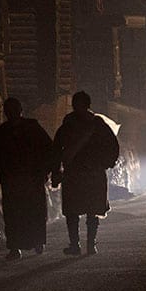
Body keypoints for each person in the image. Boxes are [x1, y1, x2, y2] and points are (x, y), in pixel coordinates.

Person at [51, 91, 120, 256]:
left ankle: (75, 245)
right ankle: (91, 244)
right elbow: (113, 147)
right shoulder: (98, 125)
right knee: (92, 210)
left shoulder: (67, 125)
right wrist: (106, 164)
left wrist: (56, 170)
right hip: (94, 173)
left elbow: (56, 150)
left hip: (73, 173)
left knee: (72, 211)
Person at [0, 97, 53, 260]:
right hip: (15, 180)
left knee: (28, 213)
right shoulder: (4, 131)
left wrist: (45, 171)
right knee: (16, 214)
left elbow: (48, 149)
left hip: (28, 179)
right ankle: (18, 246)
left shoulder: (28, 128)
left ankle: (30, 243)